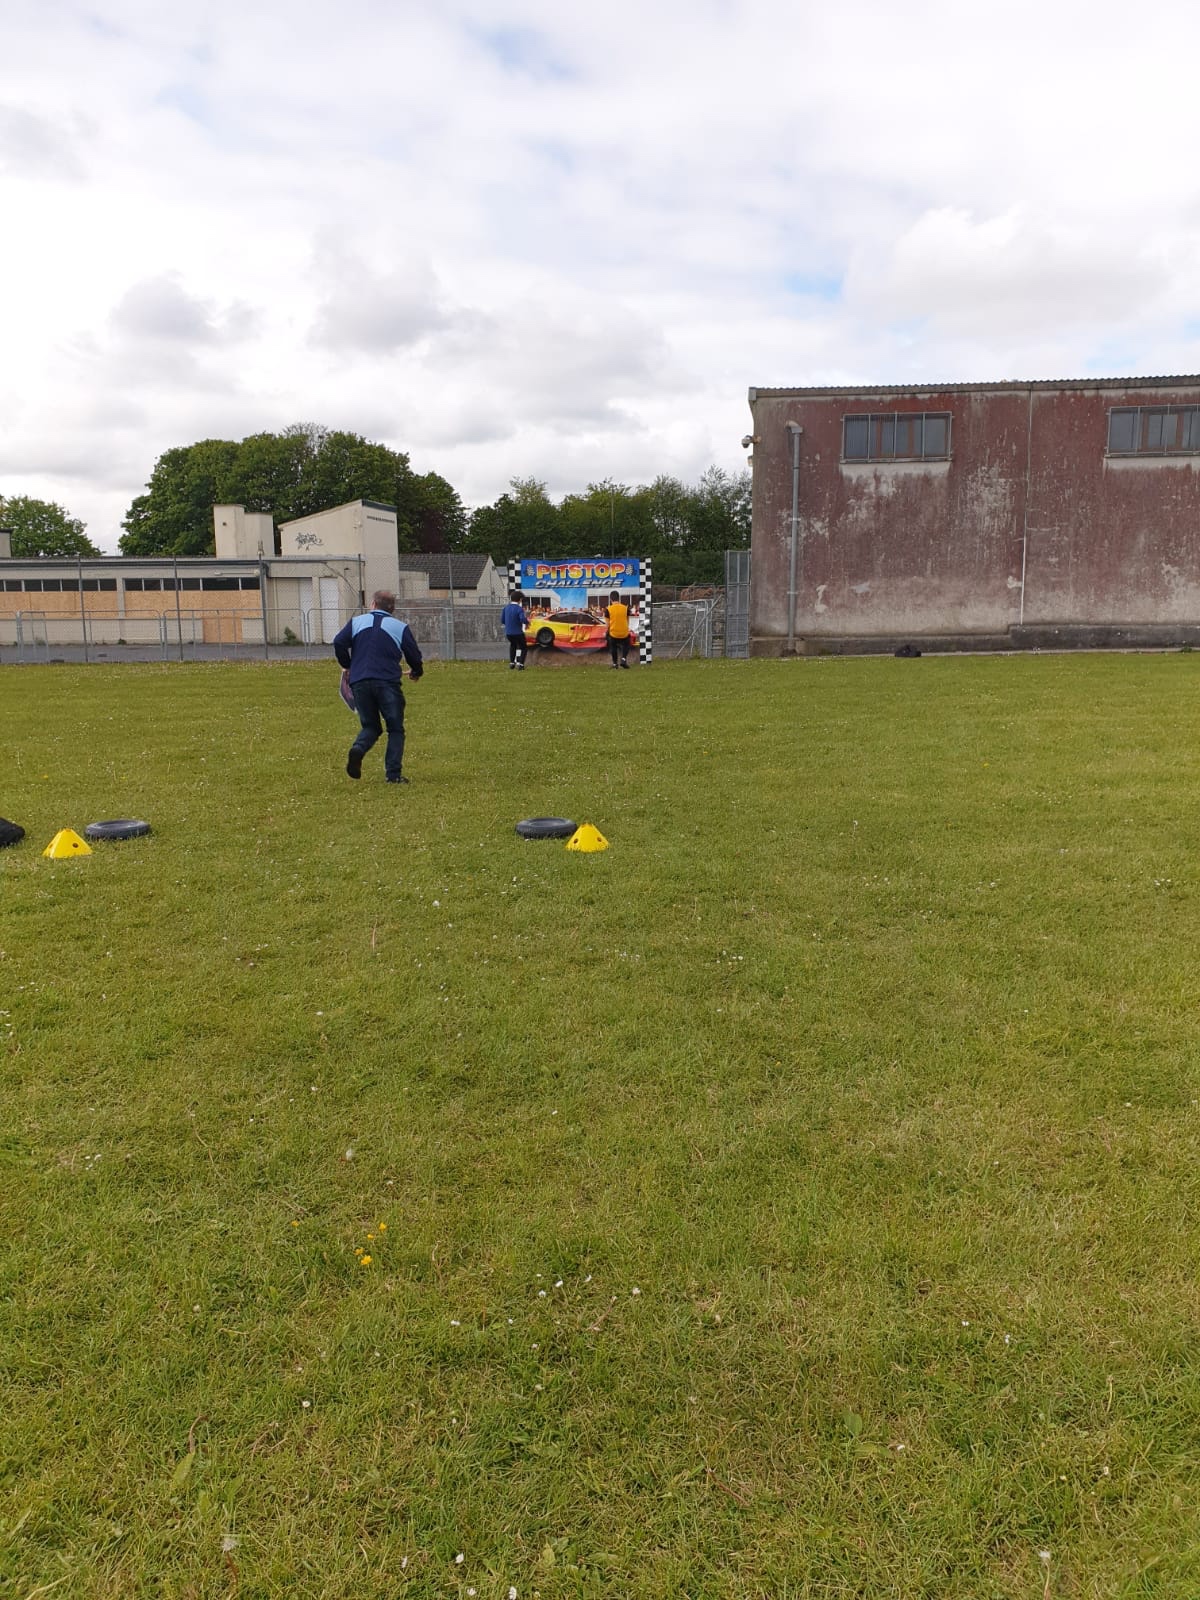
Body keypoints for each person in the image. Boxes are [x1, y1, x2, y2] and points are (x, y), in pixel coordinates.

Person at [333, 590, 423, 784]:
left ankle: (358, 749)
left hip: (359, 681)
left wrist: (348, 665)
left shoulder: (357, 622)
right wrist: (416, 671)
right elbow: (414, 655)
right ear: (393, 609)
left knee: (371, 726)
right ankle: (393, 775)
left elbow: (339, 642)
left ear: (373, 604)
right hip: (387, 682)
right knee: (395, 728)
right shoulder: (399, 627)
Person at [500, 590, 529, 669]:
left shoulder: (506, 608)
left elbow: (502, 620)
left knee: (513, 645)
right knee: (524, 647)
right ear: (520, 600)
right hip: (518, 633)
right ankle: (521, 664)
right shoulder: (519, 609)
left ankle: (512, 663)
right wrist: (527, 622)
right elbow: (522, 619)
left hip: (508, 633)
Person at [605, 590, 631, 668]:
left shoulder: (608, 609)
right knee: (627, 643)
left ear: (610, 599)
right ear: (618, 598)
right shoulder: (625, 608)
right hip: (624, 634)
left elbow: (607, 625)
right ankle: (623, 659)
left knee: (612, 645)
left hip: (614, 634)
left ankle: (615, 664)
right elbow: (627, 621)